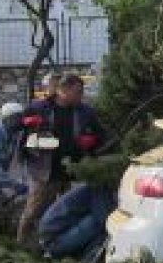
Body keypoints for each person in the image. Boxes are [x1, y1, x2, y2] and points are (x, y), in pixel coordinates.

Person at [16, 72, 109, 246]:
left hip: (72, 172)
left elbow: (101, 135)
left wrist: (92, 141)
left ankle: (56, 247)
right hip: (45, 172)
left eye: (82, 92)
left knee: (66, 214)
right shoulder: (38, 108)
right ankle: (21, 248)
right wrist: (36, 137)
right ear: (63, 91)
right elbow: (20, 136)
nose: (82, 95)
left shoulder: (85, 112)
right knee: (33, 212)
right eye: (78, 91)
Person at [37, 182, 117, 260]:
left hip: (51, 236)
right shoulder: (98, 188)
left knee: (104, 220)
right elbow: (105, 219)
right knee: (105, 224)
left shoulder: (91, 185)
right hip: (53, 240)